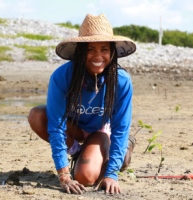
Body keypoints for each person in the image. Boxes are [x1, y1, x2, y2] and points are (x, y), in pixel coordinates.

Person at [28, 13, 136, 195]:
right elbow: (56, 127)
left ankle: (119, 152)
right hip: (74, 127)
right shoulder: (62, 76)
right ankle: (80, 153)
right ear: (80, 51)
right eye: (90, 49)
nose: (98, 56)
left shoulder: (121, 81)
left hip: (100, 131)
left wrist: (111, 175)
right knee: (37, 115)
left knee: (86, 178)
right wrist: (64, 175)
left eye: (104, 49)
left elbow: (121, 128)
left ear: (112, 52)